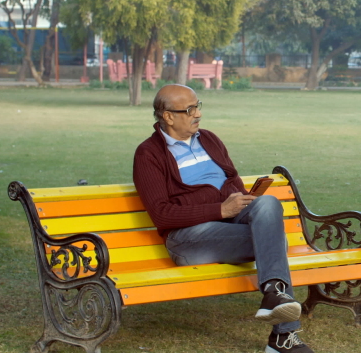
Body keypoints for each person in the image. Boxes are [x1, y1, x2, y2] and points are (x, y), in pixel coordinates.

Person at [133, 84, 313, 353]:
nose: (198, 114)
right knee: (275, 242)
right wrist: (220, 210)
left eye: (198, 106)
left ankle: (273, 292)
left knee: (267, 203)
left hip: (230, 223)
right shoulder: (148, 154)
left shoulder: (209, 139)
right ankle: (283, 336)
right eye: (190, 109)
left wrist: (241, 202)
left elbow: (233, 181)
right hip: (188, 238)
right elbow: (162, 214)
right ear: (168, 116)